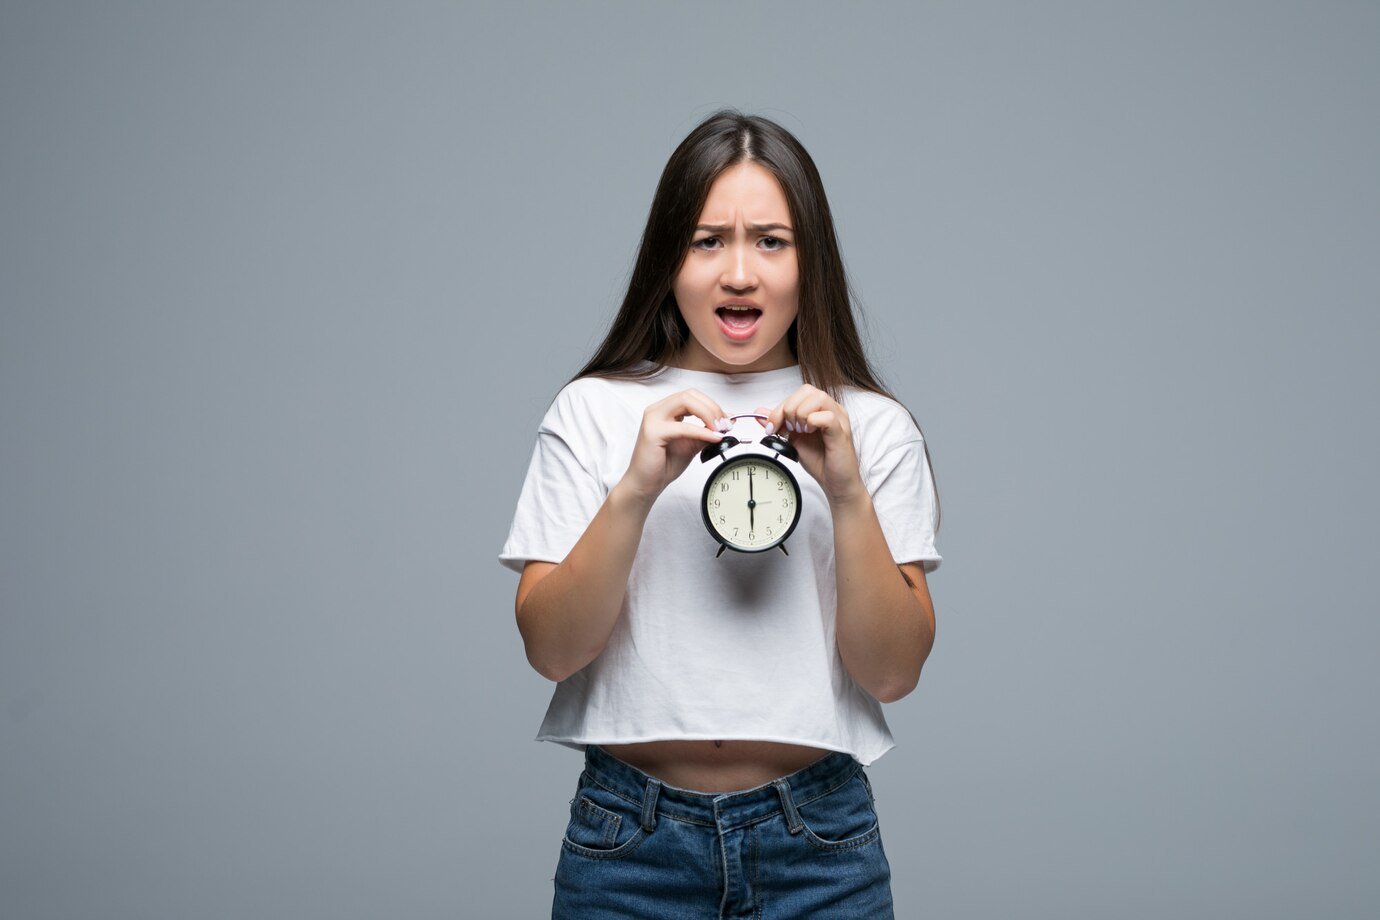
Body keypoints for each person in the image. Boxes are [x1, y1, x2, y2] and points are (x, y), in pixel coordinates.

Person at [498, 108, 943, 919]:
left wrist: (845, 492)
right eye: (708, 241)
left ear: (811, 261)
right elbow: (552, 651)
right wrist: (635, 487)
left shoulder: (869, 424)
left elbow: (893, 673)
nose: (739, 273)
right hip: (629, 845)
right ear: (668, 258)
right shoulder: (594, 410)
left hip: (820, 845)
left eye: (771, 241)